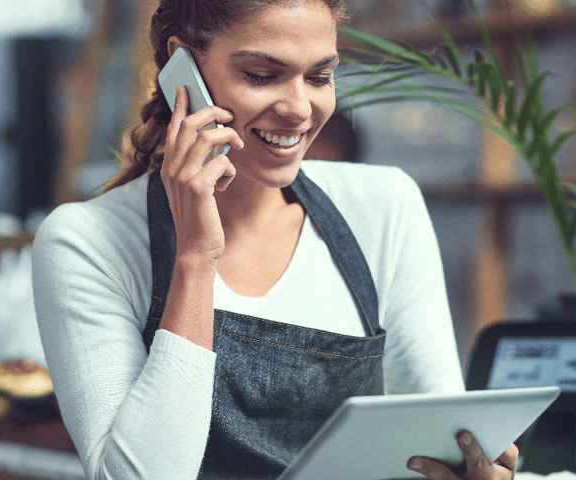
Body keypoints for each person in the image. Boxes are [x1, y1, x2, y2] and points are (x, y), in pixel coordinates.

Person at [32, 0, 518, 479]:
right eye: (262, 76)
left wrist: (470, 472)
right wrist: (196, 258)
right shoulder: (85, 242)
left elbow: (438, 443)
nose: (299, 109)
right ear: (183, 69)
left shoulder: (385, 205)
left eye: (319, 77)